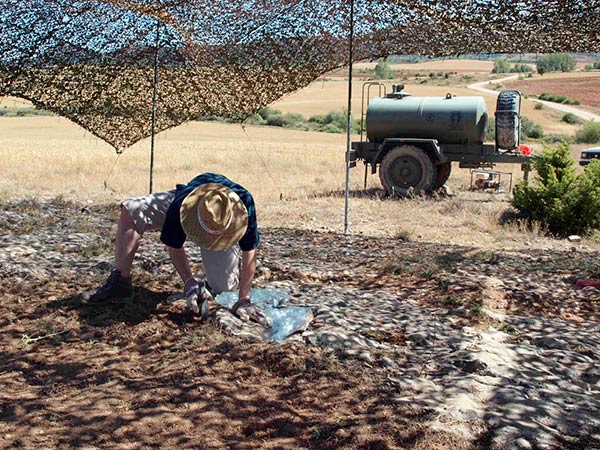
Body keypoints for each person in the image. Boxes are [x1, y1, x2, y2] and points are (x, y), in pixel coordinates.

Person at [83, 173, 267, 324]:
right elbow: (174, 247)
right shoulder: (180, 205)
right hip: (190, 203)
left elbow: (250, 253)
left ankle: (209, 284)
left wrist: (243, 299)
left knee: (224, 288)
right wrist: (189, 282)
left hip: (223, 221)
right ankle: (119, 282)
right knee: (132, 209)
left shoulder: (244, 205)